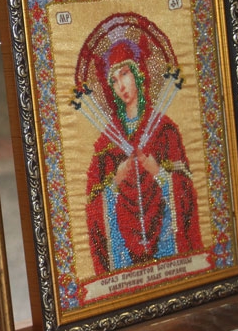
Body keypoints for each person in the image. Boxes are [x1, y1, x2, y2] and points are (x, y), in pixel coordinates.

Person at [85, 39, 203, 275]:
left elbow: (187, 192)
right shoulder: (106, 144)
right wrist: (116, 181)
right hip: (123, 254)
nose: (121, 86)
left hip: (165, 241)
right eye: (114, 80)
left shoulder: (165, 131)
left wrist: (158, 173)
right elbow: (93, 206)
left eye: (125, 74)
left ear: (138, 74)